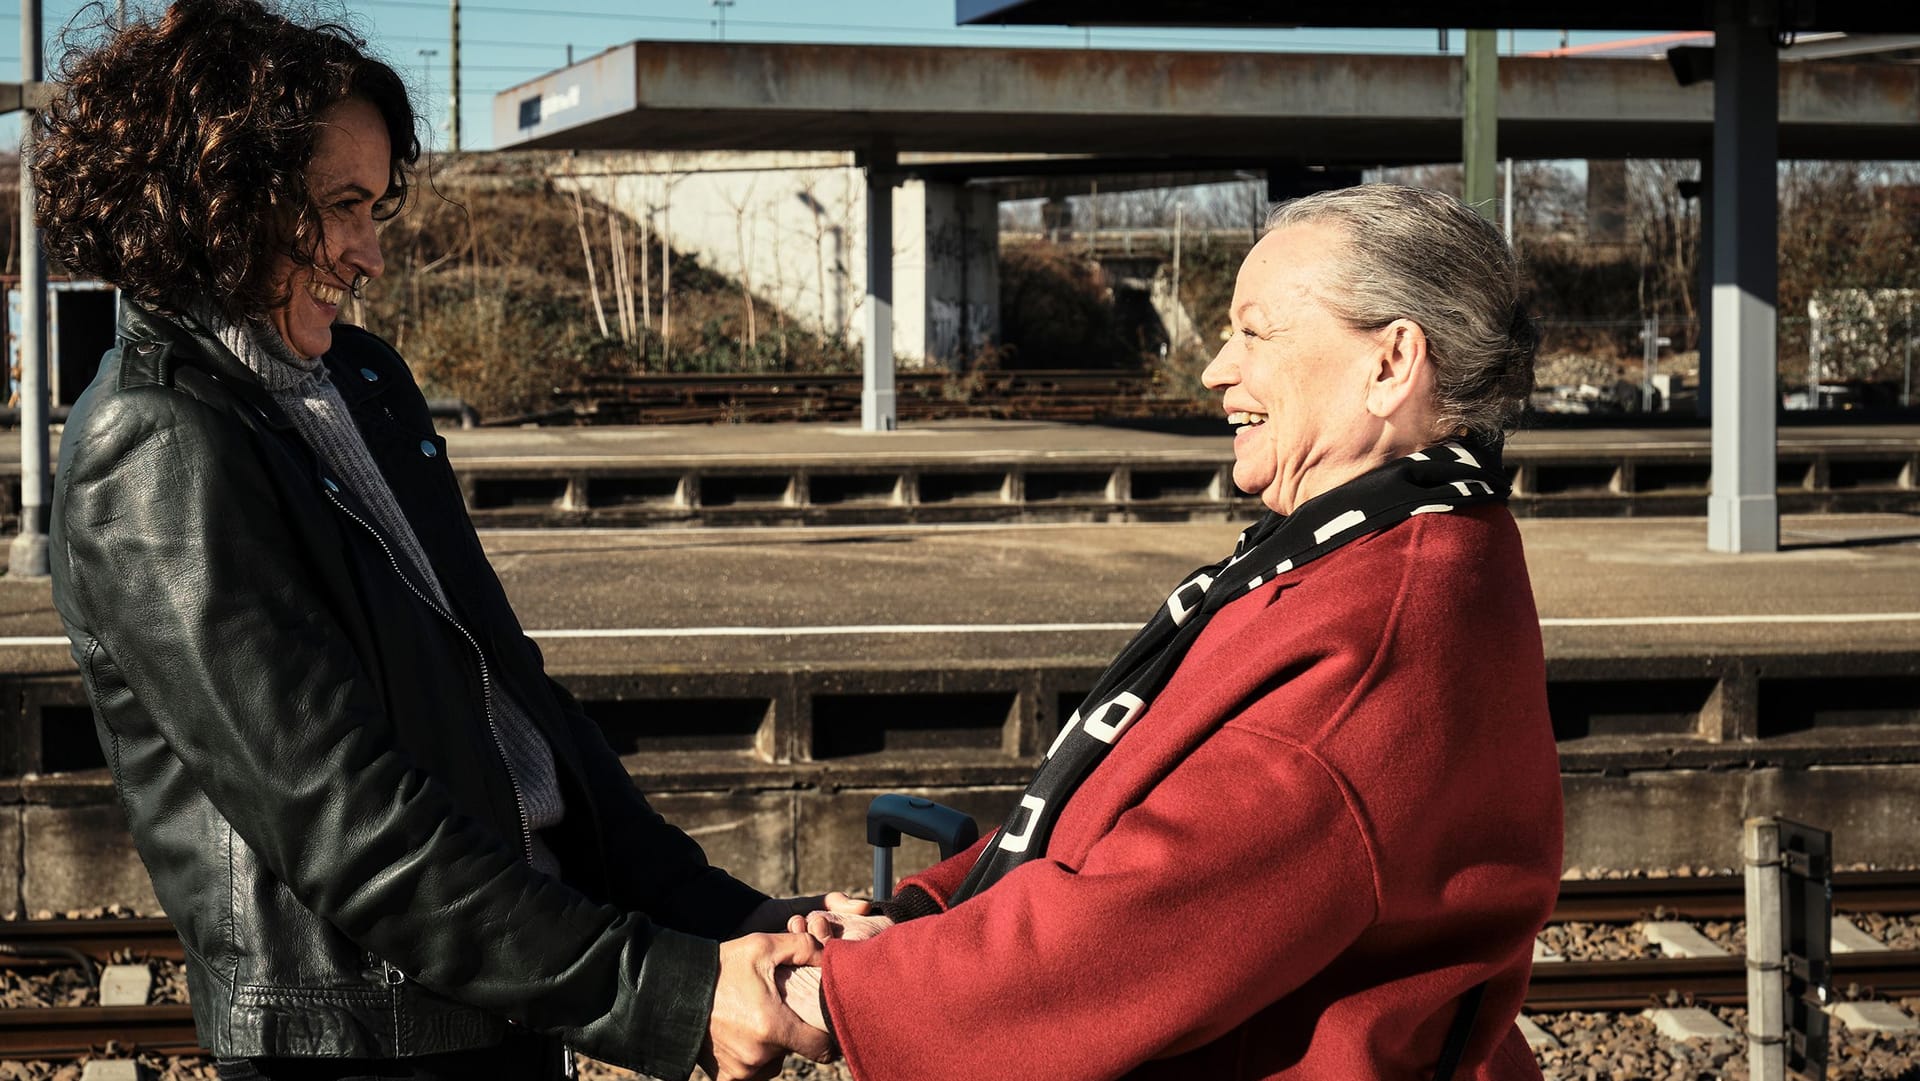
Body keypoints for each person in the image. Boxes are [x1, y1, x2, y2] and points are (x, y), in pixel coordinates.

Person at [38, 3, 851, 1079]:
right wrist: (670, 993)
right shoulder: (158, 442)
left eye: (377, 206)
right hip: (365, 1049)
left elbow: (522, 718)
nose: (371, 252)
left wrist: (739, 914)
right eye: (340, 207)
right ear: (217, 202)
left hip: (495, 1007)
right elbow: (348, 823)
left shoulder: (359, 385)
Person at [785, 185, 1565, 1080]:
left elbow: (1118, 940)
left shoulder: (1379, 632)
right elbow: (1121, 818)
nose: (1216, 369)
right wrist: (927, 908)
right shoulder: (1360, 556)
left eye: (1256, 332)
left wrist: (844, 991)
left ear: (1390, 362)